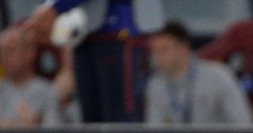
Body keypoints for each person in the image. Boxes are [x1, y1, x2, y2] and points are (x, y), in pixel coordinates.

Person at [25, 0, 165, 123]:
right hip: (83, 33)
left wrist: (54, 7)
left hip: (116, 31)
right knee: (91, 124)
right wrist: (50, 10)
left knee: (119, 126)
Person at [144, 21, 253, 125]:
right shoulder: (155, 84)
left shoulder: (218, 77)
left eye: (164, 49)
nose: (157, 57)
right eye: (154, 50)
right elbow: (154, 131)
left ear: (183, 48)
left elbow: (243, 123)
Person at [0, 27, 63, 127]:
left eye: (11, 50)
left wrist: (34, 128)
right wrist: (19, 125)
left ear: (30, 53)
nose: (5, 56)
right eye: (2, 51)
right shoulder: (2, 89)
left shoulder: (46, 92)